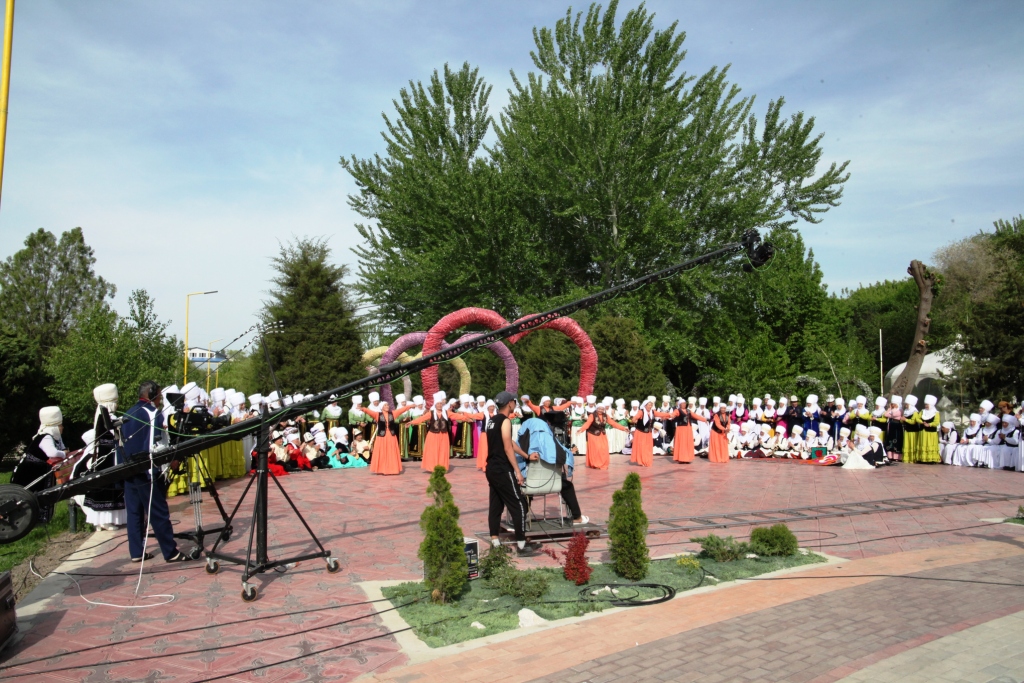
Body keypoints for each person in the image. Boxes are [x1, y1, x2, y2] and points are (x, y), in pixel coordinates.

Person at [121, 381, 193, 563]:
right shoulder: (153, 413)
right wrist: (170, 459)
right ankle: (171, 552)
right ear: (152, 394)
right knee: (158, 512)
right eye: (159, 395)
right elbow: (157, 443)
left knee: (134, 513)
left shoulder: (127, 413)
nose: (160, 399)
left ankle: (136, 552)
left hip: (129, 469)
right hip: (148, 470)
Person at [486, 392, 542, 554]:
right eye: (514, 402)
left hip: (492, 468)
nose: (515, 404)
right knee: (520, 505)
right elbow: (507, 448)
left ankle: (495, 543)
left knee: (496, 505)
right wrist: (518, 471)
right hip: (502, 469)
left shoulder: (492, 421)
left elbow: (509, 442)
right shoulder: (505, 421)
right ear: (510, 403)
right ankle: (522, 545)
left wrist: (526, 455)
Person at [72, 383, 127, 530]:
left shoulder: (103, 415)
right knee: (107, 488)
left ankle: (105, 520)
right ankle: (104, 520)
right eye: (115, 401)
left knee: (107, 487)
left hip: (106, 455)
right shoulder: (106, 416)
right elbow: (114, 431)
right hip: (107, 457)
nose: (117, 404)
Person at [520, 411, 589, 526]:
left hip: (531, 485)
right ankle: (577, 517)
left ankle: (521, 517)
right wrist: (570, 452)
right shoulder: (555, 447)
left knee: (524, 485)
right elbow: (565, 458)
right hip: (553, 484)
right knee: (568, 486)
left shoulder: (524, 446)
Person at [12, 406, 68, 523]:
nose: (62, 428)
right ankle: (31, 520)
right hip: (30, 472)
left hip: (37, 470)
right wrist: (64, 454)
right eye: (60, 425)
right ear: (54, 427)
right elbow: (52, 453)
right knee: (30, 496)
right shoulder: (46, 437)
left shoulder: (53, 437)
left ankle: (38, 519)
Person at [360, 400, 410, 475]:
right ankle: (382, 468)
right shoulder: (378, 415)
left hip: (391, 436)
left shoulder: (392, 413)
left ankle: (392, 469)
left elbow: (401, 410)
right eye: (385, 405)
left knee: (391, 452)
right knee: (382, 452)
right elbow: (370, 412)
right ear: (382, 407)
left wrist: (409, 406)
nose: (387, 406)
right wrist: (363, 409)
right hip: (382, 436)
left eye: (387, 405)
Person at [408, 391, 452, 471]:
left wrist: (467, 418)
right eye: (438, 404)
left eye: (440, 404)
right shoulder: (431, 413)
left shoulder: (446, 413)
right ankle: (432, 467)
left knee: (443, 451)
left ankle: (442, 467)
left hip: (444, 435)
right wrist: (412, 422)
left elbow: (456, 416)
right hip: (433, 435)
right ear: (435, 405)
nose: (439, 405)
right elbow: (422, 419)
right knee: (433, 451)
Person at [576, 404, 627, 470]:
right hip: (593, 434)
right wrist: (581, 429)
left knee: (604, 448)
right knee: (596, 449)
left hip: (602, 434)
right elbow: (587, 423)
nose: (600, 410)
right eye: (599, 409)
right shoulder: (592, 415)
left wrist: (623, 428)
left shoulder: (606, 416)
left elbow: (613, 423)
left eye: (602, 409)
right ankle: (596, 464)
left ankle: (602, 463)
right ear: (596, 408)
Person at [630, 397, 657, 467]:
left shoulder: (652, 412)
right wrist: (634, 419)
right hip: (641, 433)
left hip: (648, 433)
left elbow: (660, 414)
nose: (650, 406)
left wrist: (669, 415)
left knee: (648, 447)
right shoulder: (641, 412)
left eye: (651, 405)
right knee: (641, 447)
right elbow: (636, 417)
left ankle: (646, 460)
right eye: (649, 405)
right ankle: (641, 461)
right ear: (645, 405)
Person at [915, 394, 941, 463]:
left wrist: (929, 424)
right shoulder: (922, 411)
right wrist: (922, 422)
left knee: (930, 444)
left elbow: (936, 422)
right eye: (925, 404)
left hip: (931, 433)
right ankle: (922, 459)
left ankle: (931, 459)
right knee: (923, 444)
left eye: (927, 404)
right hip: (923, 432)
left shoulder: (936, 413)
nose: (926, 406)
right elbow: (917, 418)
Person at [901, 396, 921, 462]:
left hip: (913, 431)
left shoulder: (914, 412)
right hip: (907, 430)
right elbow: (903, 420)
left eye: (907, 404)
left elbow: (913, 421)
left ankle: (913, 458)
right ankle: (907, 458)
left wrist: (905, 420)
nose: (906, 406)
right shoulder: (906, 411)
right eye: (905, 404)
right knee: (907, 444)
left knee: (912, 444)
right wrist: (902, 420)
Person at [884, 396, 904, 461]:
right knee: (890, 439)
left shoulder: (900, 410)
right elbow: (886, 414)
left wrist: (891, 413)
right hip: (891, 425)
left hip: (897, 425)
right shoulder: (891, 409)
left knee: (896, 439)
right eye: (892, 404)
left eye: (894, 404)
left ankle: (896, 456)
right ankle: (890, 455)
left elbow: (895, 414)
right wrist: (889, 408)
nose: (893, 405)